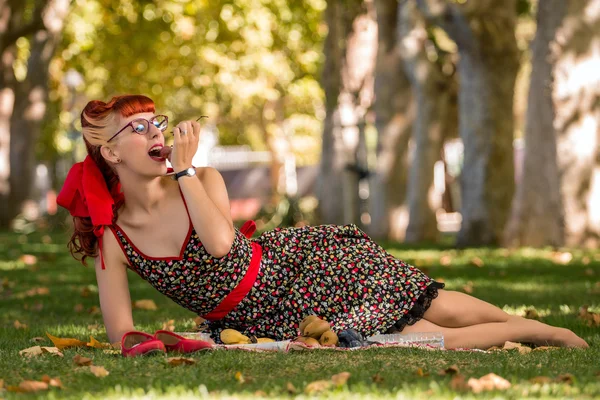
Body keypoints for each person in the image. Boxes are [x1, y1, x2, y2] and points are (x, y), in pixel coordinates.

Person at [57, 95, 588, 354]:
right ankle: (528, 331)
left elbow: (220, 245)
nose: (156, 131)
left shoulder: (203, 178)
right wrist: (144, 343)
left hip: (298, 269)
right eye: (138, 127)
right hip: (258, 319)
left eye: (158, 122)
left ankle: (541, 328)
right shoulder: (113, 235)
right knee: (408, 339)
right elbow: (119, 330)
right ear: (109, 150)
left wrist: (187, 170)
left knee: (431, 304)